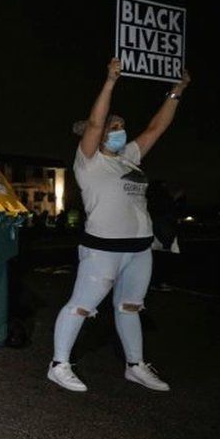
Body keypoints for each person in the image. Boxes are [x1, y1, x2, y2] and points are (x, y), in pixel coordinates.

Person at [48, 58, 190, 393]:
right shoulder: (89, 160)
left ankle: (135, 366)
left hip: (140, 249)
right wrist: (110, 81)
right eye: (115, 129)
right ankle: (58, 364)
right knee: (81, 305)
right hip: (103, 250)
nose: (120, 132)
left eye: (122, 127)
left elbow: (157, 128)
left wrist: (177, 92)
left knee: (129, 308)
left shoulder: (129, 157)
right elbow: (95, 124)